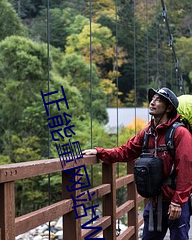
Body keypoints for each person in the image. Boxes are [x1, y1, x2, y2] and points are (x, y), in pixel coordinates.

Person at [82, 87, 192, 240]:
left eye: (158, 100)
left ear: (169, 108)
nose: (152, 102)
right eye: (152, 99)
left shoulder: (180, 133)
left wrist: (178, 202)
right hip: (155, 201)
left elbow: (186, 169)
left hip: (175, 201)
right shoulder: (147, 133)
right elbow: (126, 151)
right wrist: (99, 152)